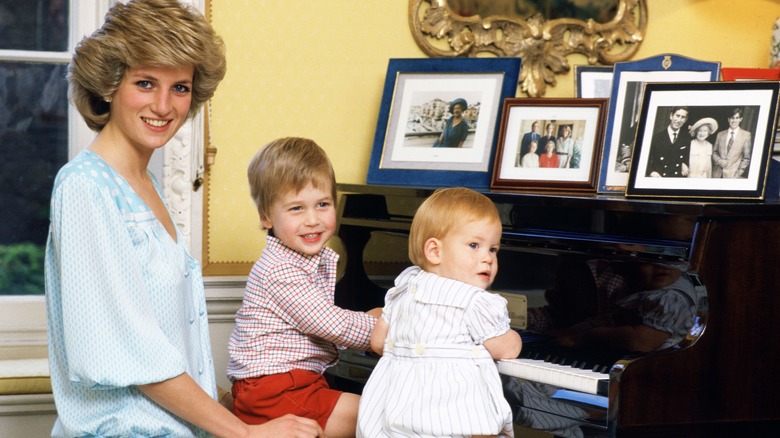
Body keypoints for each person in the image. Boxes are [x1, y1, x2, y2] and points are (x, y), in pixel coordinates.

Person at [44, 1, 323, 437]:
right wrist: (243, 433)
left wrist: (235, 410)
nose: (163, 104)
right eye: (145, 82)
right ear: (109, 84)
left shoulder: (144, 184)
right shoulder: (85, 187)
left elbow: (167, 345)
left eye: (180, 87)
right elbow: (129, 353)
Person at [228, 137, 381, 437]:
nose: (313, 220)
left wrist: (371, 321)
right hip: (273, 389)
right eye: (297, 208)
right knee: (383, 413)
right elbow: (328, 322)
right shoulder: (280, 269)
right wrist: (379, 328)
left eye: (323, 204)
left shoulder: (302, 259)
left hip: (293, 382)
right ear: (266, 217)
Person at [357, 187, 522, 438]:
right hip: (452, 419)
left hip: (393, 413)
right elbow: (506, 350)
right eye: (474, 245)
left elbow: (378, 342)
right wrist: (515, 337)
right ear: (434, 251)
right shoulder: (474, 301)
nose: (487, 258)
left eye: (493, 249)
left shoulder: (404, 288)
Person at [528, 257, 698, 354]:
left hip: (652, 369)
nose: (664, 268)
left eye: (674, 260)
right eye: (651, 260)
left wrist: (585, 337)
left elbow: (640, 342)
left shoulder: (670, 297)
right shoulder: (638, 288)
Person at [646, 106, 690, 177]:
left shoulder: (686, 137)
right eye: (677, 115)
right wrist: (651, 172)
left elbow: (687, 156)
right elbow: (644, 160)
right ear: (671, 116)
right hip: (659, 178)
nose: (679, 120)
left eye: (683, 117)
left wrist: (685, 164)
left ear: (685, 120)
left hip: (677, 178)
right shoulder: (656, 138)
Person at [712, 107, 752, 178]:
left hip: (732, 176)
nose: (734, 120)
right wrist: (719, 161)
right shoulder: (720, 134)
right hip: (717, 174)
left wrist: (737, 174)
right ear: (728, 119)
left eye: (737, 118)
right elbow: (714, 152)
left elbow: (746, 158)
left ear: (741, 119)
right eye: (732, 118)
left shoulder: (746, 135)